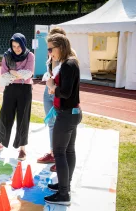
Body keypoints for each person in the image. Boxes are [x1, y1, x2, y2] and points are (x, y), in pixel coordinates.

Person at [44, 33, 82, 206]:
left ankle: (64, 193)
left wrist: (52, 87)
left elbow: (65, 92)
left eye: (51, 49)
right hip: (72, 113)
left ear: (60, 47)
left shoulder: (68, 64)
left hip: (67, 114)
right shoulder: (70, 62)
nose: (50, 52)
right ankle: (64, 186)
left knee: (60, 152)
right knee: (69, 151)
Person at [0, 33, 34, 161]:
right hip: (10, 89)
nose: (17, 49)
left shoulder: (30, 56)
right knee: (5, 116)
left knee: (23, 118)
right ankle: (1, 143)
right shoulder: (7, 56)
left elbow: (28, 73)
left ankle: (22, 148)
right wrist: (18, 74)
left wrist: (13, 72)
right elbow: (4, 75)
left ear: (24, 44)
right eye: (14, 46)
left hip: (25, 89)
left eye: (19, 46)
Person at [37, 27, 68, 172]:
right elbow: (50, 71)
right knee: (50, 123)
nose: (50, 49)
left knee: (61, 126)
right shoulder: (50, 55)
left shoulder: (68, 59)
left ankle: (61, 157)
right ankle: (53, 153)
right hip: (48, 91)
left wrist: (54, 86)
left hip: (59, 93)